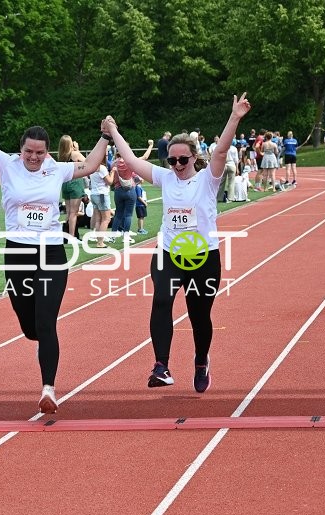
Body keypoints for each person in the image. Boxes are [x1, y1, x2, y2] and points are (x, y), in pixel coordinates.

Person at [0, 75, 109, 414]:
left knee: (47, 322)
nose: (34, 157)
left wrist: (105, 136)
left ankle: (49, 389)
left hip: (51, 252)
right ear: (22, 149)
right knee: (29, 325)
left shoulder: (56, 169)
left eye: (40, 152)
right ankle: (37, 337)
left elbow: (91, 165)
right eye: (30, 152)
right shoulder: (5, 163)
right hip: (17, 252)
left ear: (47, 152)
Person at [103, 92, 251, 393]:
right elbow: (130, 160)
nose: (177, 164)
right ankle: (161, 366)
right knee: (160, 301)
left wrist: (234, 117)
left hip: (203, 258)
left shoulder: (208, 178)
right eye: (172, 160)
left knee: (199, 315)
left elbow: (221, 151)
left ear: (194, 157)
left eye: (183, 159)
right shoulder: (165, 177)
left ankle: (200, 361)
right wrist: (113, 131)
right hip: (169, 254)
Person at [58, 135, 87, 241]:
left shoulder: (61, 155)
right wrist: (77, 149)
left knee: (69, 212)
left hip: (65, 183)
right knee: (74, 213)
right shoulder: (75, 154)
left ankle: (66, 235)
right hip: (75, 182)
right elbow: (88, 163)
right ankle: (71, 236)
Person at [88, 154, 113, 248]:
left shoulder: (92, 167)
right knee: (106, 219)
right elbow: (109, 181)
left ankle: (99, 240)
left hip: (94, 194)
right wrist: (113, 172)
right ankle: (100, 242)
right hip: (101, 194)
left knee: (98, 219)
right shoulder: (101, 168)